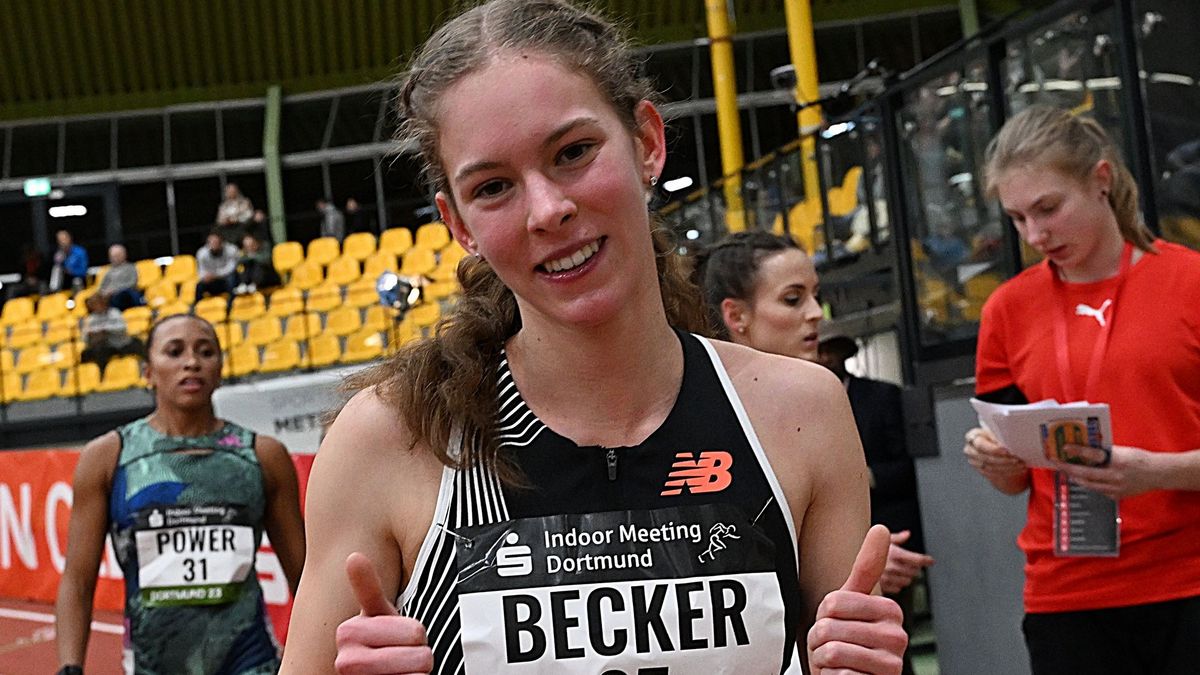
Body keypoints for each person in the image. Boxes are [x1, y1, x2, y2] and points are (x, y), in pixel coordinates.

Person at [281, 2, 905, 674]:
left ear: (647, 142)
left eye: (573, 152)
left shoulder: (802, 413)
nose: (548, 210)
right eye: (493, 187)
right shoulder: (390, 440)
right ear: (458, 224)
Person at [963, 104, 1200, 674]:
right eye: (1017, 218)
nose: (1035, 234)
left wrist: (1159, 472)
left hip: (1188, 579)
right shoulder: (1007, 310)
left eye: (1048, 208)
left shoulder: (1188, 283)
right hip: (1067, 595)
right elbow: (1016, 479)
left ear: (1101, 180)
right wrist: (997, 460)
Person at [696, 231, 933, 675]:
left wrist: (859, 568)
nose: (815, 313)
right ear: (736, 315)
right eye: (792, 299)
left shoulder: (823, 400)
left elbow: (841, 558)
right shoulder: (702, 417)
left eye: (815, 295)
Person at [55, 313, 306, 674]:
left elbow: (305, 575)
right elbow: (78, 581)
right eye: (174, 352)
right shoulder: (108, 457)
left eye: (206, 351)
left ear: (220, 369)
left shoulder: (263, 456)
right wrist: (70, 667)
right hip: (150, 666)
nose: (192, 362)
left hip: (250, 662)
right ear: (148, 372)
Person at [819, 334, 933, 675]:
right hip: (830, 537)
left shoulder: (882, 396)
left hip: (887, 530)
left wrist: (865, 477)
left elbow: (910, 466)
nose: (823, 356)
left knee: (890, 636)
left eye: (830, 350)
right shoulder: (796, 404)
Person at [80, 293, 144, 373]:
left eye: (98, 303)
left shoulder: (114, 313)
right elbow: (84, 337)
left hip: (120, 343)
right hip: (103, 346)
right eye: (93, 304)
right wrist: (93, 335)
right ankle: (98, 375)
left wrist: (106, 331)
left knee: (137, 343)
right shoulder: (91, 319)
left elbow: (122, 328)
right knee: (89, 353)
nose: (96, 306)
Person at [97, 244, 145, 310]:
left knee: (122, 295)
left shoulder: (130, 268)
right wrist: (104, 292)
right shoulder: (108, 271)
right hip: (109, 296)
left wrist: (114, 290)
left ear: (124, 255)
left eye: (116, 255)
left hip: (124, 294)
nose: (114, 258)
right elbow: (102, 286)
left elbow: (132, 283)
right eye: (112, 256)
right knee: (92, 299)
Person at [195, 231, 240, 298]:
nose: (214, 244)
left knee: (232, 278)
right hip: (211, 280)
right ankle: (197, 303)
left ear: (221, 242)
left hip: (225, 277)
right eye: (212, 242)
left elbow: (231, 268)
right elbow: (201, 270)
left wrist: (216, 275)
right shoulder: (202, 253)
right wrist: (205, 276)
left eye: (216, 242)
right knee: (199, 285)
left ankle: (232, 302)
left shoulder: (231, 250)